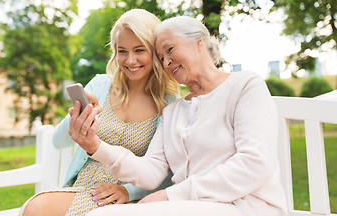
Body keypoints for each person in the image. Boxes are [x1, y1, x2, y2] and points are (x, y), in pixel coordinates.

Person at [70, 15, 288, 216]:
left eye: (170, 50)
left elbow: (254, 163)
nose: (166, 62)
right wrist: (95, 146)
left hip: (246, 206)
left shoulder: (245, 86)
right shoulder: (172, 111)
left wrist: (170, 196)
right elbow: (150, 172)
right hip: (190, 207)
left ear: (199, 42)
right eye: (161, 57)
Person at [19, 9, 179, 216]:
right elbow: (58, 142)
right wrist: (80, 114)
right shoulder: (101, 85)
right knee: (37, 208)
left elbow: (168, 172)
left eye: (139, 50)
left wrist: (128, 192)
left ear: (155, 51)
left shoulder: (170, 103)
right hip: (85, 188)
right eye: (122, 51)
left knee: (39, 208)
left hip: (132, 198)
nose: (130, 61)